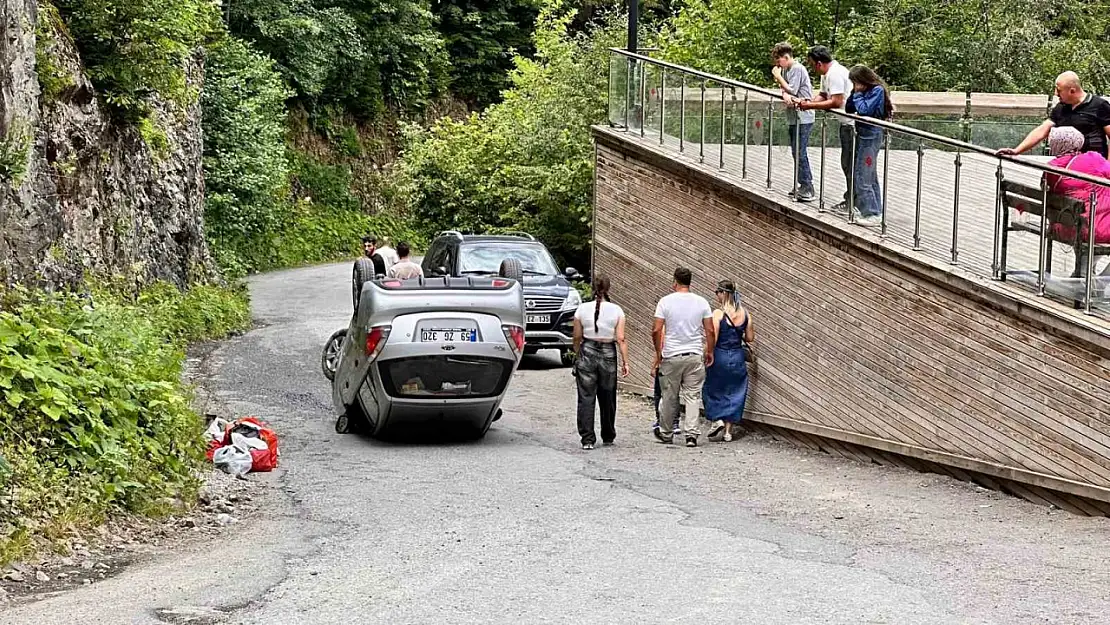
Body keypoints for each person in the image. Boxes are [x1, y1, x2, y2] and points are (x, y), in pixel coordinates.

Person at [652, 267, 715, 447]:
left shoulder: (665, 302)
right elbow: (709, 330)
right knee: (693, 396)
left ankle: (666, 432)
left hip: (671, 354)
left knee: (669, 395)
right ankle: (691, 435)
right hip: (694, 354)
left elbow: (656, 329)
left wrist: (658, 353)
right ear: (690, 282)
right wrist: (709, 350)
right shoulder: (701, 302)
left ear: (675, 281)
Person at [1040, 126, 1110, 278]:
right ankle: (1102, 282)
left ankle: (1085, 274)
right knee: (1093, 223)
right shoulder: (1092, 158)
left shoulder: (1051, 168)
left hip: (1063, 226)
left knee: (1085, 218)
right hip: (1094, 228)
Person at [572, 276, 629, 450]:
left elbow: (576, 336)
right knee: (608, 397)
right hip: (608, 352)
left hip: (587, 349)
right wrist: (626, 362)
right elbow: (621, 338)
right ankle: (608, 435)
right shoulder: (617, 310)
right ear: (608, 289)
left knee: (586, 396)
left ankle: (587, 439)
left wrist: (577, 353)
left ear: (592, 288)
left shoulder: (581, 309)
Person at [998, 72, 1110, 160]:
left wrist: (1107, 168)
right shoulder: (1061, 107)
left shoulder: (1099, 105)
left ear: (1072, 91)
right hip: (1066, 164)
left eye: (1059, 90)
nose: (1055, 94)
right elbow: (1042, 130)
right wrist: (1017, 150)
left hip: (1094, 165)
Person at [797, 46, 854, 213]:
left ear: (819, 63)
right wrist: (809, 102)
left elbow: (836, 101)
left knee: (850, 164)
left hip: (852, 124)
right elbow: (823, 94)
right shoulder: (826, 75)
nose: (813, 69)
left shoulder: (835, 73)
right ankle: (850, 200)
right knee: (846, 163)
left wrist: (810, 105)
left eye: (813, 65)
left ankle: (852, 202)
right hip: (845, 124)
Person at [703, 280, 754, 443]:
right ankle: (728, 432)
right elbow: (750, 338)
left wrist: (706, 352)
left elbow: (714, 337)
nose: (716, 296)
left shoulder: (718, 314)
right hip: (737, 356)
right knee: (735, 392)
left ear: (723, 293)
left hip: (720, 355)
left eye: (717, 293)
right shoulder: (745, 313)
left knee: (712, 388)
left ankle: (716, 419)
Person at [844, 64, 893, 227]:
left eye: (857, 82)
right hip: (862, 134)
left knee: (862, 175)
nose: (856, 86)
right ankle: (875, 210)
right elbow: (849, 109)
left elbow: (864, 110)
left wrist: (858, 94)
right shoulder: (861, 92)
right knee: (869, 175)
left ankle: (871, 212)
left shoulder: (877, 91)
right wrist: (854, 93)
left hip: (871, 136)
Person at [771, 42, 815, 202]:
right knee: (796, 151)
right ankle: (802, 183)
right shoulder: (785, 69)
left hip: (803, 117)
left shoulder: (796, 68)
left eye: (779, 60)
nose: (777, 65)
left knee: (800, 151)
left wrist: (778, 77)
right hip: (793, 116)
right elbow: (786, 91)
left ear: (786, 57)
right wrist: (784, 93)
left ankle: (807, 186)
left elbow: (792, 89)